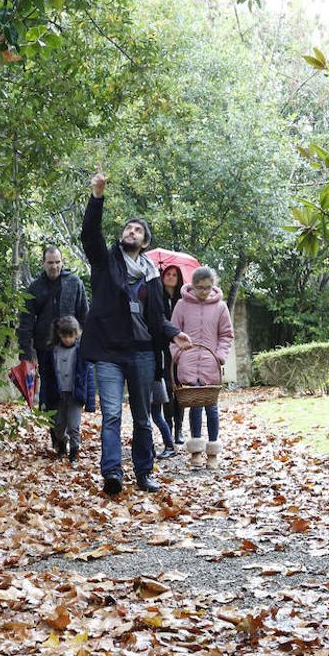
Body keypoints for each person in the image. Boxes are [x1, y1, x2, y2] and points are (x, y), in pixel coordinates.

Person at [79, 166, 191, 495]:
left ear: (144, 241)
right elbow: (89, 235)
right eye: (128, 228)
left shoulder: (153, 276)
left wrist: (173, 333)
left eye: (138, 230)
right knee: (111, 414)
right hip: (109, 353)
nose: (131, 232)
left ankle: (144, 473)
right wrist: (97, 196)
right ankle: (112, 473)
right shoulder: (105, 261)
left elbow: (157, 318)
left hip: (142, 352)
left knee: (143, 417)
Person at [170, 266, 233, 470]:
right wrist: (178, 356)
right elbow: (173, 333)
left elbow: (226, 335)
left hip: (210, 365)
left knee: (211, 408)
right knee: (194, 406)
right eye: (200, 287)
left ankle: (212, 452)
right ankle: (196, 450)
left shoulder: (221, 307)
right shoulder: (181, 305)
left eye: (208, 287)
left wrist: (220, 357)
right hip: (188, 364)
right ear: (193, 286)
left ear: (213, 286)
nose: (204, 291)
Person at [17, 246, 89, 370]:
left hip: (71, 344)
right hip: (45, 347)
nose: (54, 266)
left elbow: (84, 315)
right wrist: (25, 354)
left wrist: (83, 342)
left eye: (57, 262)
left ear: (62, 262)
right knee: (47, 386)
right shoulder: (34, 287)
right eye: (50, 263)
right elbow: (26, 322)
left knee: (71, 386)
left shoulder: (74, 282)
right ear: (43, 263)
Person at [41, 315, 94, 462]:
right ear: (59, 334)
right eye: (65, 336)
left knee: (74, 426)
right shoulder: (52, 351)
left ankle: (74, 452)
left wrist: (90, 401)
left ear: (76, 334)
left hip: (75, 395)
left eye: (71, 336)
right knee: (58, 426)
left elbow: (88, 377)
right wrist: (43, 398)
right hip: (57, 395)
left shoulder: (82, 352)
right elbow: (46, 376)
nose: (68, 339)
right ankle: (62, 443)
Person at [160, 265, 187, 446]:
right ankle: (168, 427)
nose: (170, 277)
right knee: (166, 389)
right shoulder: (156, 298)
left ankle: (179, 429)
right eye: (167, 274)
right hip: (162, 349)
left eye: (174, 275)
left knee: (180, 389)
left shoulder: (183, 300)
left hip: (180, 349)